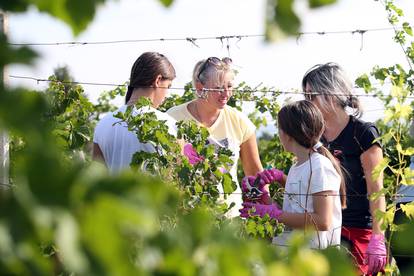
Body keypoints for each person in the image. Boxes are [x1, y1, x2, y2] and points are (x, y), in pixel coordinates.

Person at [302, 62, 387, 275]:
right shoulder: (314, 137)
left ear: (330, 94)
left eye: (311, 96)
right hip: (324, 231)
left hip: (357, 231)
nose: (307, 103)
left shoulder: (363, 134)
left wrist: (378, 239)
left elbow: (376, 192)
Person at [240, 100, 346, 250]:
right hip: (294, 255)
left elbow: (323, 221)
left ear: (288, 134)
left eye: (279, 129)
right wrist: (264, 197)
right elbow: (295, 210)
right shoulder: (297, 167)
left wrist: (274, 214)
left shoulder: (319, 166)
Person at [166, 57, 263, 217]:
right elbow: (168, 172)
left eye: (229, 86)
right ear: (200, 87)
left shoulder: (239, 121)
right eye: (218, 88)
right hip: (186, 218)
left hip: (230, 219)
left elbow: (255, 174)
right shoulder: (173, 118)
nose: (226, 93)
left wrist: (261, 213)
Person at [93, 52, 177, 172]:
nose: (166, 96)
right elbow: (177, 182)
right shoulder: (170, 126)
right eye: (168, 87)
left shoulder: (103, 124)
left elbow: (97, 180)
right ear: (158, 80)